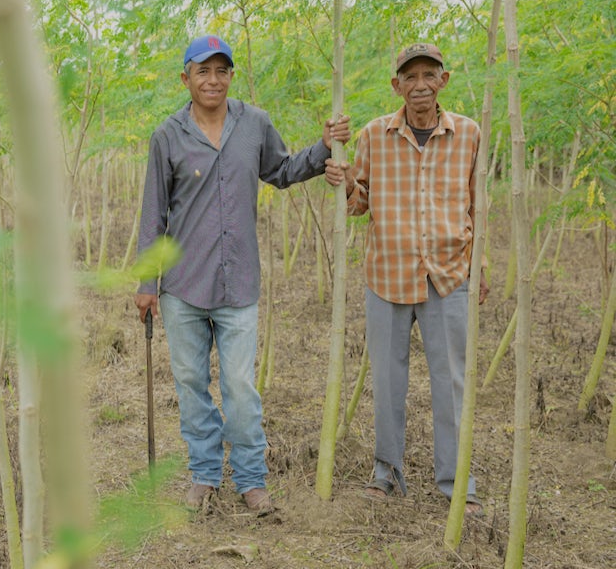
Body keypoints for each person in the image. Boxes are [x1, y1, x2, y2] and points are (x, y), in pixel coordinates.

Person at [134, 34, 350, 515]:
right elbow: (154, 215)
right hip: (183, 287)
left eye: (222, 70)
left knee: (239, 386)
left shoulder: (254, 124)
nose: (213, 80)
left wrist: (325, 149)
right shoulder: (167, 136)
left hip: (239, 285)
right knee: (191, 383)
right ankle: (205, 474)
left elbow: (283, 170)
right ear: (185, 78)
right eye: (203, 71)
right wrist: (147, 284)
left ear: (232, 75)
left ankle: (252, 480)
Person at [326, 42, 489, 515]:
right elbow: (359, 203)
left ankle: (457, 482)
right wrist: (345, 181)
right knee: (388, 379)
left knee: (452, 382)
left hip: (449, 275)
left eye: (429, 75)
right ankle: (386, 474)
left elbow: (480, 206)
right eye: (410, 77)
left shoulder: (470, 135)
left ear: (444, 81)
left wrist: (480, 267)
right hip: (387, 276)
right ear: (396, 85)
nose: (420, 85)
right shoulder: (375, 136)